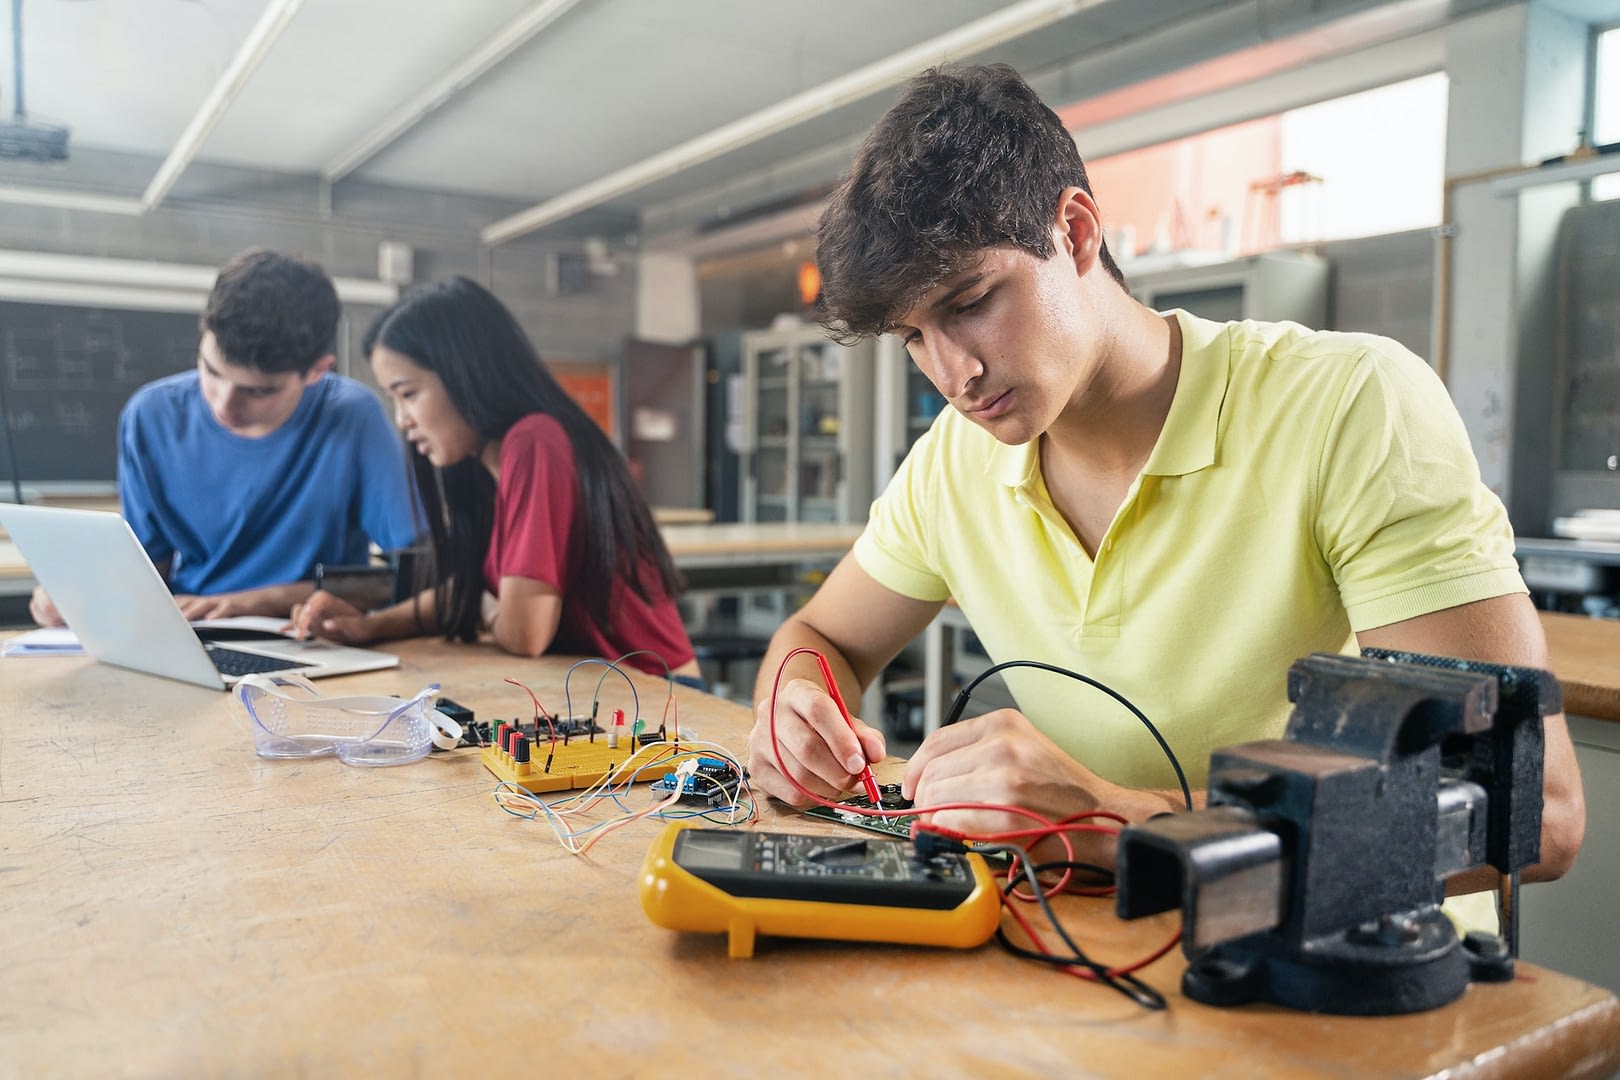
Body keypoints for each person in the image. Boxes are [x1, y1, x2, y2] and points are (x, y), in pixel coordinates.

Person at [746, 63, 1584, 892]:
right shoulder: (953, 464)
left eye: (969, 302)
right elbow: (822, 639)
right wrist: (795, 713)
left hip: (1347, 974)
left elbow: (1535, 816)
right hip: (1099, 957)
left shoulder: (1350, 406)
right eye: (913, 338)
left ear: (1076, 233)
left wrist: (1114, 819)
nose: (953, 371)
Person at [288, 277, 698, 680]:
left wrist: (487, 606)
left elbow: (525, 633)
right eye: (393, 399)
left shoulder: (535, 441)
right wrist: (369, 626)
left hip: (660, 696)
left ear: (464, 374)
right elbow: (468, 593)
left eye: (409, 394)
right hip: (599, 689)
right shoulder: (488, 467)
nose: (402, 421)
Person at [29, 248, 421, 627]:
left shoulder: (353, 417)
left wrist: (252, 604)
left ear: (317, 371)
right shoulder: (150, 417)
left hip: (308, 638)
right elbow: (148, 574)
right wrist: (78, 596)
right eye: (211, 372)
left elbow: (412, 576)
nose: (223, 406)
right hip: (191, 632)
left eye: (258, 391)